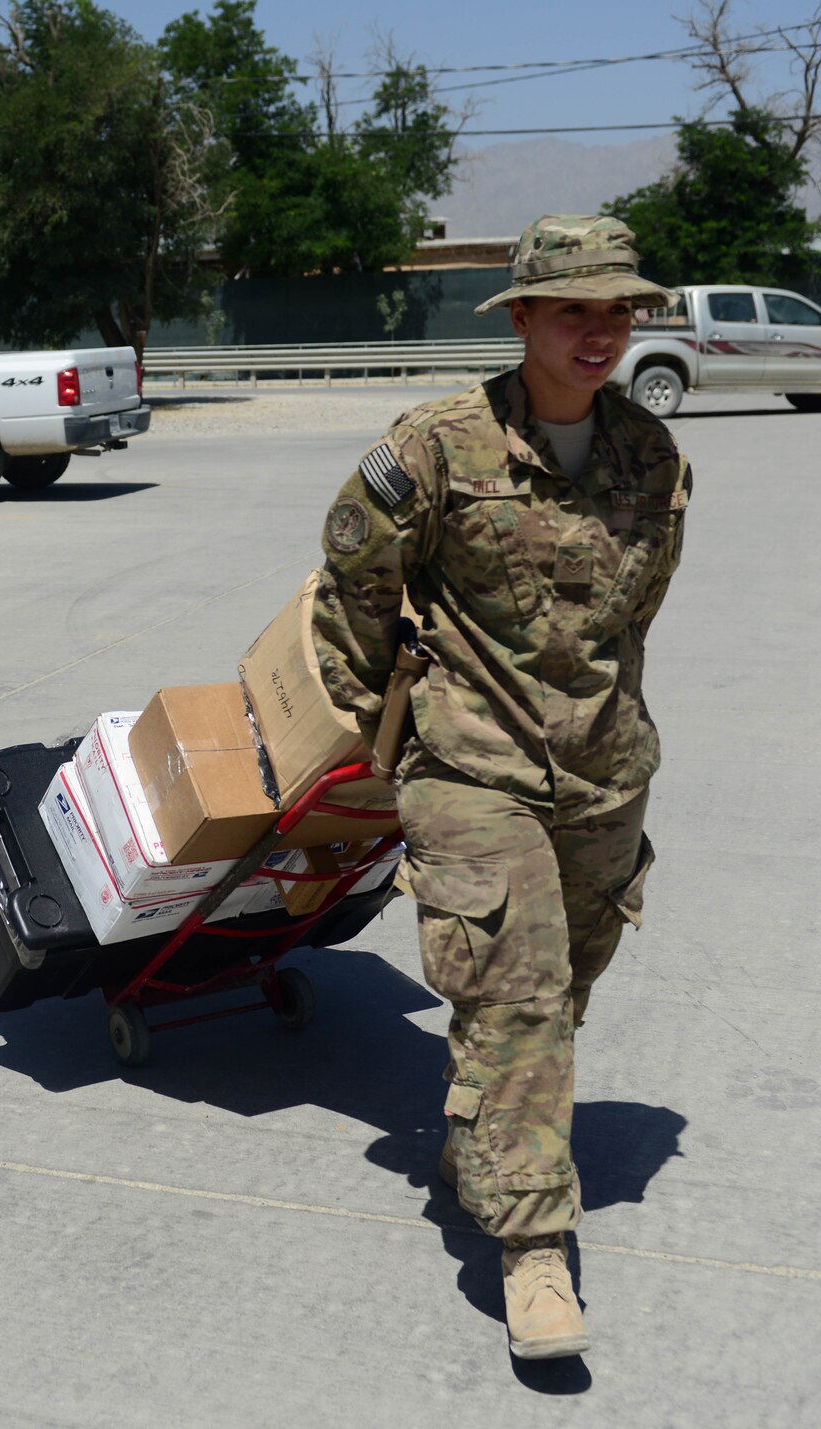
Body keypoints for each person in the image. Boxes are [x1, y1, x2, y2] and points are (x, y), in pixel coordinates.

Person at [311, 215, 688, 1359]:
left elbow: (635, 614)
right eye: (573, 309)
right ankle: (532, 1251)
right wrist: (377, 746)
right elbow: (352, 589)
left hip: (602, 772)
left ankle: (480, 1129)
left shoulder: (652, 456)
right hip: (471, 766)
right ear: (519, 317)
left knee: (554, 996)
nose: (598, 332)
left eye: (615, 310)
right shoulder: (433, 445)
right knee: (518, 996)